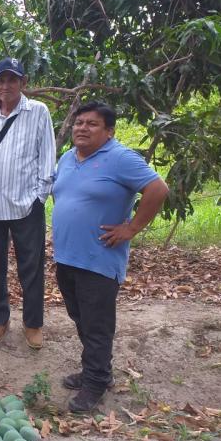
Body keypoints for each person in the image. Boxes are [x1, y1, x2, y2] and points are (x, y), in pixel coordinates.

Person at [53, 101, 168, 413]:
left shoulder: (120, 158)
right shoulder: (68, 158)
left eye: (92, 124)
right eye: (79, 123)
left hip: (99, 260)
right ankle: (97, 371)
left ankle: (95, 383)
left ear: (109, 131)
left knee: (97, 325)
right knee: (81, 318)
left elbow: (158, 189)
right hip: (67, 256)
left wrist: (132, 228)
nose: (82, 128)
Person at [0, 58, 55, 350]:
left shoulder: (38, 111)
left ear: (23, 83)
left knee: (30, 267)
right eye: (1, 80)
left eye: (12, 79)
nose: (6, 85)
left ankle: (32, 323)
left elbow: (47, 155)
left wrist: (39, 197)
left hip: (26, 205)